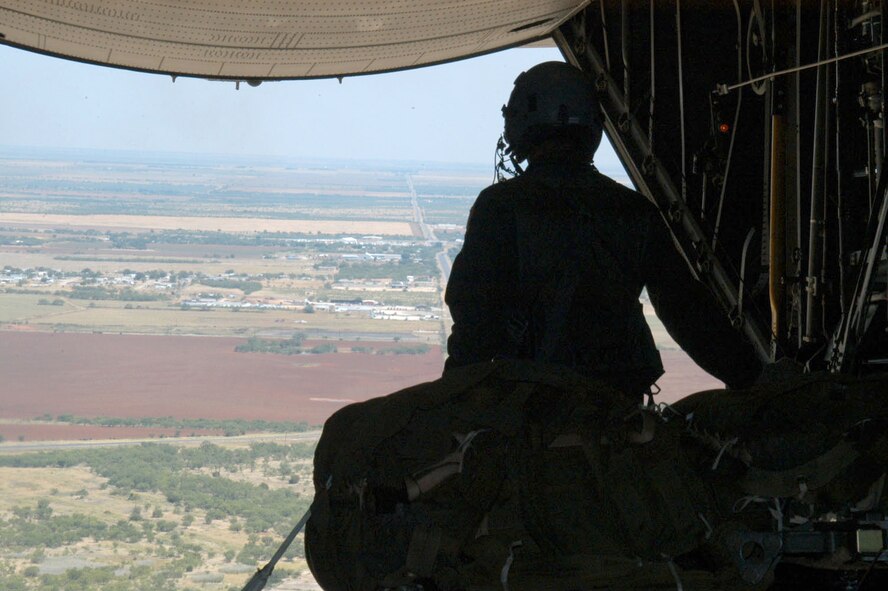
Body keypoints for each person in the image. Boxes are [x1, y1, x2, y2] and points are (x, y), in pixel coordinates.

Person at [444, 61, 761, 396]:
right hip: (615, 413)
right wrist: (753, 381)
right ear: (594, 125)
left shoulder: (500, 207)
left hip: (526, 412)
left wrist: (453, 399)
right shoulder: (634, 210)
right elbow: (688, 315)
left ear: (521, 122)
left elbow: (474, 320)